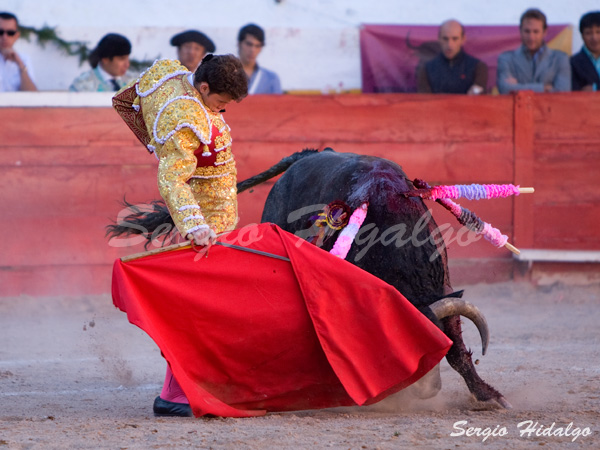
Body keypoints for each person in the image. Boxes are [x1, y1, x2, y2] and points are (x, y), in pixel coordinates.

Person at [112, 54, 248, 416]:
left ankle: (183, 389)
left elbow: (124, 102)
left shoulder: (171, 73)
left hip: (211, 221)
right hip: (205, 225)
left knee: (204, 310)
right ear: (203, 87)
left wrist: (156, 143)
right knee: (199, 313)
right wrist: (195, 225)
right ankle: (172, 396)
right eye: (220, 104)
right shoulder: (186, 119)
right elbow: (171, 178)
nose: (221, 112)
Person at [497, 8, 571, 94]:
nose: (531, 37)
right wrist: (543, 88)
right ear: (520, 31)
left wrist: (518, 87)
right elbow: (505, 89)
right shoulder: (506, 59)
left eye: (536, 32)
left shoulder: (560, 59)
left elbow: (563, 92)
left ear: (545, 32)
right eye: (527, 31)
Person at [417, 19, 487, 94]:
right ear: (439, 39)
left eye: (455, 39)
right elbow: (424, 101)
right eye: (445, 39)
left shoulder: (478, 67)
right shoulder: (427, 69)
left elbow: (477, 97)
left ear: (463, 39)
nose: (449, 45)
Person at [69, 33, 136, 92]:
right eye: (121, 59)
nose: (127, 64)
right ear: (105, 59)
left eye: (127, 58)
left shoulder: (135, 82)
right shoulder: (82, 86)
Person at [237, 23, 282, 94]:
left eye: (257, 46)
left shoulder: (271, 79)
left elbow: (278, 105)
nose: (253, 50)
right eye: (249, 44)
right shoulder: (226, 75)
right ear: (239, 44)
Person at [0, 11, 37, 91]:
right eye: (0, 32)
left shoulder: (23, 59)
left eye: (10, 33)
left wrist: (20, 64)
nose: (5, 37)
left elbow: (32, 96)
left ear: (16, 36)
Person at [570, 11, 600, 91]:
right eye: (588, 33)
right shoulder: (573, 63)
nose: (594, 38)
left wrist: (594, 88)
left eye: (598, 32)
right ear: (582, 36)